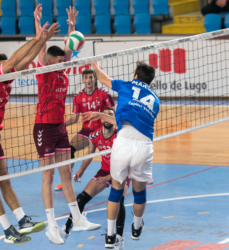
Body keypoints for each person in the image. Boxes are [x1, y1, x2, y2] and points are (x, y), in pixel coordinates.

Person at [0, 22, 60, 245]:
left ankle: (22, 220)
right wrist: (36, 39)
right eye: (5, 66)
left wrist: (43, 39)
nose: (10, 69)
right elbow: (14, 61)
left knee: (5, 180)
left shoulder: (5, 81)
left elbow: (24, 61)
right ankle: (7, 230)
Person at [33, 5, 100, 245]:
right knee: (48, 176)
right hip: (43, 129)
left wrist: (72, 26)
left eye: (65, 60)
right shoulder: (44, 71)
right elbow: (41, 49)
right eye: (60, 60)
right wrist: (38, 26)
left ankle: (77, 217)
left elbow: (69, 49)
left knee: (67, 174)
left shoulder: (62, 72)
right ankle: (51, 226)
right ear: (50, 61)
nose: (65, 63)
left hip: (60, 128)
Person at [83, 61, 160, 248]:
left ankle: (110, 237)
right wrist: (101, 116)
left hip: (123, 144)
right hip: (143, 146)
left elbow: (102, 79)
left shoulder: (126, 85)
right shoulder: (155, 100)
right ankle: (136, 228)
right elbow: (136, 121)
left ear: (135, 75)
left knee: (116, 190)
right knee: (139, 191)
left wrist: (97, 66)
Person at [62, 108, 131, 245]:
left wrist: (107, 178)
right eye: (105, 115)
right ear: (101, 118)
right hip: (105, 170)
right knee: (81, 198)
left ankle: (119, 238)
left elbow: (125, 164)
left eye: (110, 115)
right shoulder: (95, 136)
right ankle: (66, 230)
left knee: (119, 200)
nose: (107, 117)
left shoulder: (121, 137)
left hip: (122, 172)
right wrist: (81, 170)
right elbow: (90, 155)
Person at [54, 69, 115, 191]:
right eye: (86, 77)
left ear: (94, 79)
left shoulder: (103, 94)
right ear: (82, 80)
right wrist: (60, 125)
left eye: (91, 77)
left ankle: (138, 177)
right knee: (69, 150)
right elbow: (74, 118)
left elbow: (113, 111)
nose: (88, 80)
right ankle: (66, 180)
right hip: (86, 131)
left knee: (117, 154)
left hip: (103, 130)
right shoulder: (78, 97)